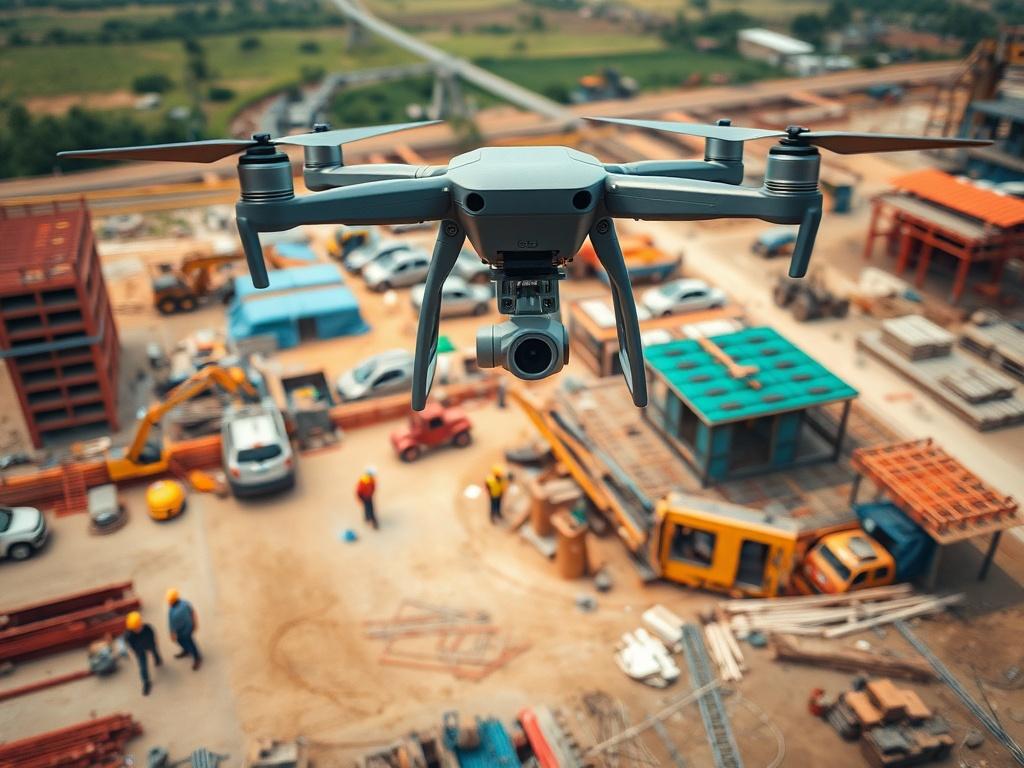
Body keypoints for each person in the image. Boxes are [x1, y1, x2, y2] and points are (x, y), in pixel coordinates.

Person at [124, 611, 161, 696]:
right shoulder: (129, 635)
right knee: (143, 667)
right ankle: (146, 682)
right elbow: (131, 646)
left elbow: (154, 636)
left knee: (155, 652)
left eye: (139, 626)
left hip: (150, 645)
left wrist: (156, 643)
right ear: (131, 628)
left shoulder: (147, 628)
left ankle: (157, 659)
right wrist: (135, 653)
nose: (138, 629)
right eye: (136, 628)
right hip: (140, 651)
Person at [166, 588, 202, 670]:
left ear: (173, 600)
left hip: (187, 630)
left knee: (191, 644)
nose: (168, 602)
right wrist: (172, 632)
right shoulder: (172, 609)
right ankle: (186, 650)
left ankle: (197, 657)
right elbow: (171, 621)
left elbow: (192, 613)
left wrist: (195, 623)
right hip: (179, 632)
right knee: (180, 641)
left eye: (169, 600)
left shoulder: (184, 604)